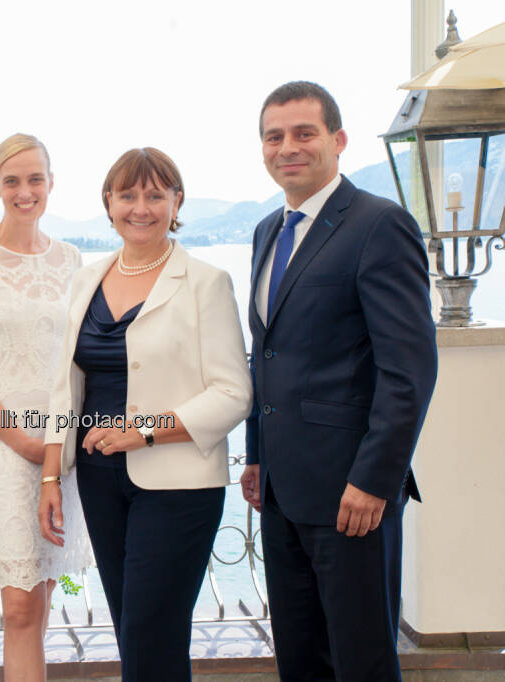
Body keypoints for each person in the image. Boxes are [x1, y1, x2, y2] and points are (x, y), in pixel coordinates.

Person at [240, 81, 438, 681]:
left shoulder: (380, 225)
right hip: (280, 490)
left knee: (362, 661)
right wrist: (255, 456)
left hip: (353, 495)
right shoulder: (265, 233)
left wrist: (374, 480)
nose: (288, 147)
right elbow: (266, 355)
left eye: (304, 133)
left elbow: (409, 371)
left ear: (338, 140)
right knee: (301, 659)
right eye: (274, 136)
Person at [38, 148, 252, 680]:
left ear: (176, 201)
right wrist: (49, 474)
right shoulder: (84, 280)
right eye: (128, 194)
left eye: (155, 194)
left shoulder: (206, 281)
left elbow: (233, 393)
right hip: (99, 479)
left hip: (178, 484)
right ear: (108, 203)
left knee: (150, 630)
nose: (141, 207)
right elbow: (63, 390)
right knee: (130, 627)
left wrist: (144, 432)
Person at [0, 133, 93, 681]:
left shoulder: (72, 259)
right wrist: (25, 444)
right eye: (13, 180)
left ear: (51, 184)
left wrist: (56, 447)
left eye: (35, 179)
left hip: (60, 446)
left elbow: (76, 363)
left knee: (44, 596)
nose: (24, 191)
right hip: (7, 450)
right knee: (19, 605)